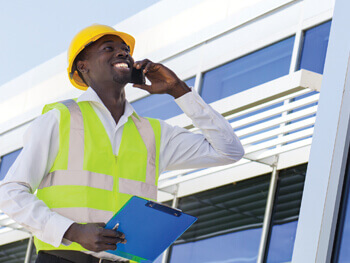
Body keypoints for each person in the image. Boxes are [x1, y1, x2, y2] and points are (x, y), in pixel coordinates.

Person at [0, 24, 244, 263]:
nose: (123, 52)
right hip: (63, 258)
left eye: (126, 49)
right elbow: (10, 192)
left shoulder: (154, 132)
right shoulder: (60, 117)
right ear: (82, 66)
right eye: (108, 48)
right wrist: (72, 231)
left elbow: (229, 151)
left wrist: (178, 90)